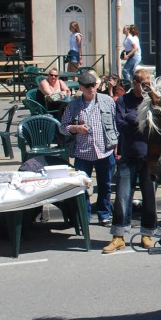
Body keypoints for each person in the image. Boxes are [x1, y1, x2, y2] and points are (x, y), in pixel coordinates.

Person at [104, 69, 156, 254]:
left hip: (149, 157)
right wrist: (143, 120)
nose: (147, 87)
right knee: (122, 197)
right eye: (144, 84)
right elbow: (121, 124)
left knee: (149, 198)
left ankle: (147, 234)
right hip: (128, 155)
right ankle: (118, 237)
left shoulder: (153, 100)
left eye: (149, 83)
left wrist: (133, 118)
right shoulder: (123, 101)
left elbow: (157, 124)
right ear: (134, 83)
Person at [60, 70, 119, 226]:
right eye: (87, 86)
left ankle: (104, 214)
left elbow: (115, 124)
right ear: (81, 87)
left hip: (104, 151)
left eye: (93, 85)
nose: (90, 88)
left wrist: (116, 145)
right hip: (83, 153)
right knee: (83, 187)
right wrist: (76, 128)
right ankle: (84, 216)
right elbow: (63, 127)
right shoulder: (73, 106)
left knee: (105, 185)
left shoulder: (107, 101)